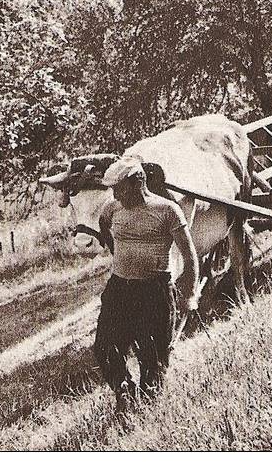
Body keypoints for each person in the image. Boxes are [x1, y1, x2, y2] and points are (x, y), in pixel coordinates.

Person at [93, 156, 199, 413]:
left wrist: (189, 293)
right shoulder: (112, 208)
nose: (115, 193)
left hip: (154, 291)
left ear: (138, 182)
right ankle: (124, 389)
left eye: (119, 188)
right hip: (119, 289)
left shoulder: (166, 210)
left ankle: (149, 410)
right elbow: (105, 229)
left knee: (153, 356)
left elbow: (189, 254)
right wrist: (124, 255)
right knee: (104, 348)